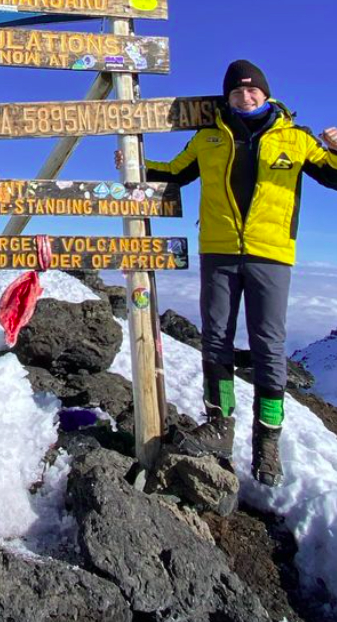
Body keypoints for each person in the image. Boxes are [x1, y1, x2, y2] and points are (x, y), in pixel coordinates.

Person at [124, 59, 337, 487]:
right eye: (237, 92)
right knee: (216, 337)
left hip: (271, 255)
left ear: (265, 92)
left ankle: (267, 441)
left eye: (252, 89)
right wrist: (133, 163)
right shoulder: (208, 138)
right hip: (219, 252)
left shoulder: (297, 139)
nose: (246, 96)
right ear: (228, 98)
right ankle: (220, 426)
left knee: (268, 347)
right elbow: (175, 174)